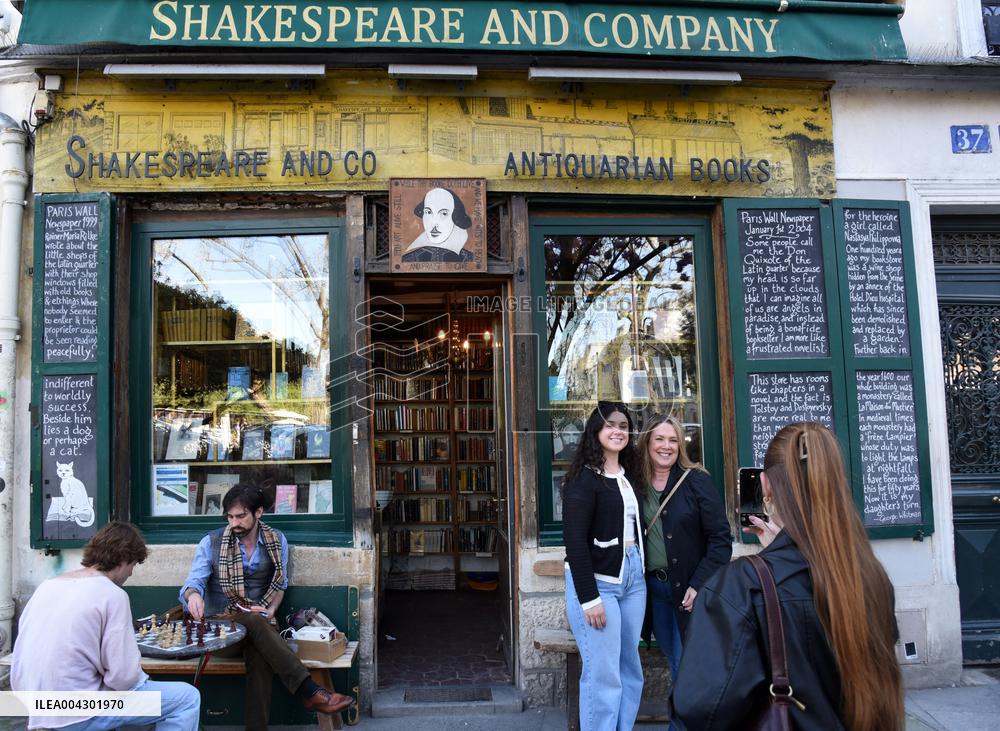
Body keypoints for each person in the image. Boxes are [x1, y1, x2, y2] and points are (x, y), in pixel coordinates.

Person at [671, 422, 904, 730]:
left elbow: (698, 707)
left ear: (765, 486)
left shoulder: (741, 586)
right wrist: (778, 551)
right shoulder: (871, 576)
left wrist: (773, 558)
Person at [179, 483, 352, 730]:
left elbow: (280, 585)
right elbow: (193, 581)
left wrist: (270, 611)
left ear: (258, 512)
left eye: (240, 516)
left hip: (261, 630)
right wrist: (194, 595)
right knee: (254, 622)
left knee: (259, 647)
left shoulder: (275, 539)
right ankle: (310, 691)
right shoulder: (211, 542)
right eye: (230, 516)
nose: (234, 522)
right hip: (221, 632)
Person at [12, 522, 201, 731]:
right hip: (79, 711)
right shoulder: (112, 594)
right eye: (134, 565)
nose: (131, 573)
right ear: (123, 559)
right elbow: (123, 678)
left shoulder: (46, 586)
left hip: (34, 706)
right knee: (186, 698)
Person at [562, 400, 647, 731]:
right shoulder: (584, 481)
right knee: (603, 673)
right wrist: (590, 598)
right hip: (599, 584)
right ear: (596, 431)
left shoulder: (630, 476)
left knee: (630, 668)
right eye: (611, 425)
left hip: (633, 579)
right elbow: (574, 544)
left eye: (624, 426)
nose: (618, 431)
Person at [637, 415, 731, 685]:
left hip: (689, 591)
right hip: (654, 592)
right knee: (674, 659)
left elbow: (720, 538)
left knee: (684, 663)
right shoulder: (635, 484)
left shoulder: (696, 481)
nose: (666, 446)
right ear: (646, 442)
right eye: (660, 439)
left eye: (673, 440)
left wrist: (700, 583)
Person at [401, 187, 474, 263]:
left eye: (444, 213)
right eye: (428, 212)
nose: (434, 223)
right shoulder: (408, 259)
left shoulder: (469, 259)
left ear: (456, 217)